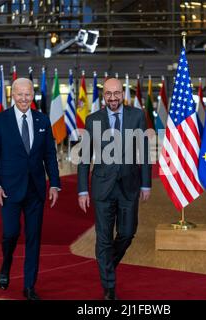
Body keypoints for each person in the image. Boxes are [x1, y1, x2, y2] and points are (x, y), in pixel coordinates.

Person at [0, 78, 61, 300]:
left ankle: (29, 286)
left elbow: (49, 155)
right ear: (13, 95)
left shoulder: (43, 120)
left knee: (34, 238)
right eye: (20, 94)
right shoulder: (0, 121)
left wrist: (54, 183)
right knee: (10, 234)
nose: (24, 98)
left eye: (28, 94)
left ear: (32, 95)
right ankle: (6, 263)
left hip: (36, 190)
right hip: (8, 190)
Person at [77, 78, 151, 300]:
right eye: (108, 94)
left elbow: (145, 153)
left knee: (127, 233)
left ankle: (107, 264)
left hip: (129, 186)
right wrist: (82, 190)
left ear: (123, 94)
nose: (113, 98)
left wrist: (146, 183)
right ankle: (109, 288)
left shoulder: (137, 116)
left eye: (116, 93)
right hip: (102, 188)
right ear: (103, 96)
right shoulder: (92, 120)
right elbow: (83, 159)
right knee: (103, 238)